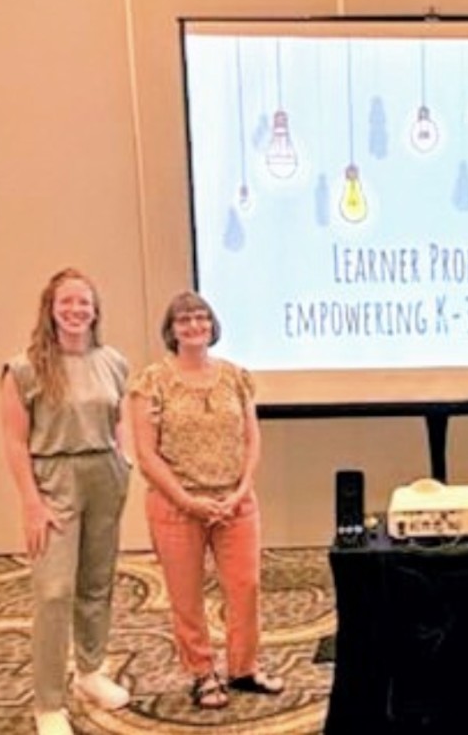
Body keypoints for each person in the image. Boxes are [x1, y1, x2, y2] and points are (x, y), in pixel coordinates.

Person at [129, 291, 284, 710]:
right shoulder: (151, 382)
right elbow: (146, 453)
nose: (194, 325)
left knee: (246, 587)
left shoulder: (236, 376)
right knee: (186, 596)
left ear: (212, 325)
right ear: (171, 330)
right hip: (176, 506)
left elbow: (251, 439)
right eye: (184, 320)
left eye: (201, 318)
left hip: (236, 503)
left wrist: (241, 490)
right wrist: (186, 500)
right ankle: (202, 673)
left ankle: (244, 668)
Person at [0, 269, 132, 735]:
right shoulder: (24, 369)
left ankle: (90, 672)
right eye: (67, 302)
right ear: (50, 308)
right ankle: (49, 702)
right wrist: (31, 503)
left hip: (104, 476)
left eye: (84, 302)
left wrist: (125, 458)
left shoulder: (112, 361)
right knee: (54, 591)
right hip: (54, 478)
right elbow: (15, 442)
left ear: (95, 310)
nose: (76, 310)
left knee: (97, 581)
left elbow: (119, 414)